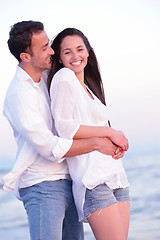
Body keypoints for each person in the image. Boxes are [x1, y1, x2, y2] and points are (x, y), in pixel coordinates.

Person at [2, 21, 123, 240]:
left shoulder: (49, 78)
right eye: (45, 47)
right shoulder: (19, 95)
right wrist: (98, 141)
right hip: (43, 186)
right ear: (25, 57)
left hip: (69, 179)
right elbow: (50, 147)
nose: (51, 51)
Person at [48, 28, 130, 240]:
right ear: (59, 56)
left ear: (88, 51)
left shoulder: (88, 88)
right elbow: (65, 128)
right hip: (94, 181)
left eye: (80, 49)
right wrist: (109, 132)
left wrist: (115, 138)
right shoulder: (64, 77)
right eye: (67, 52)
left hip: (116, 177)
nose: (75, 57)